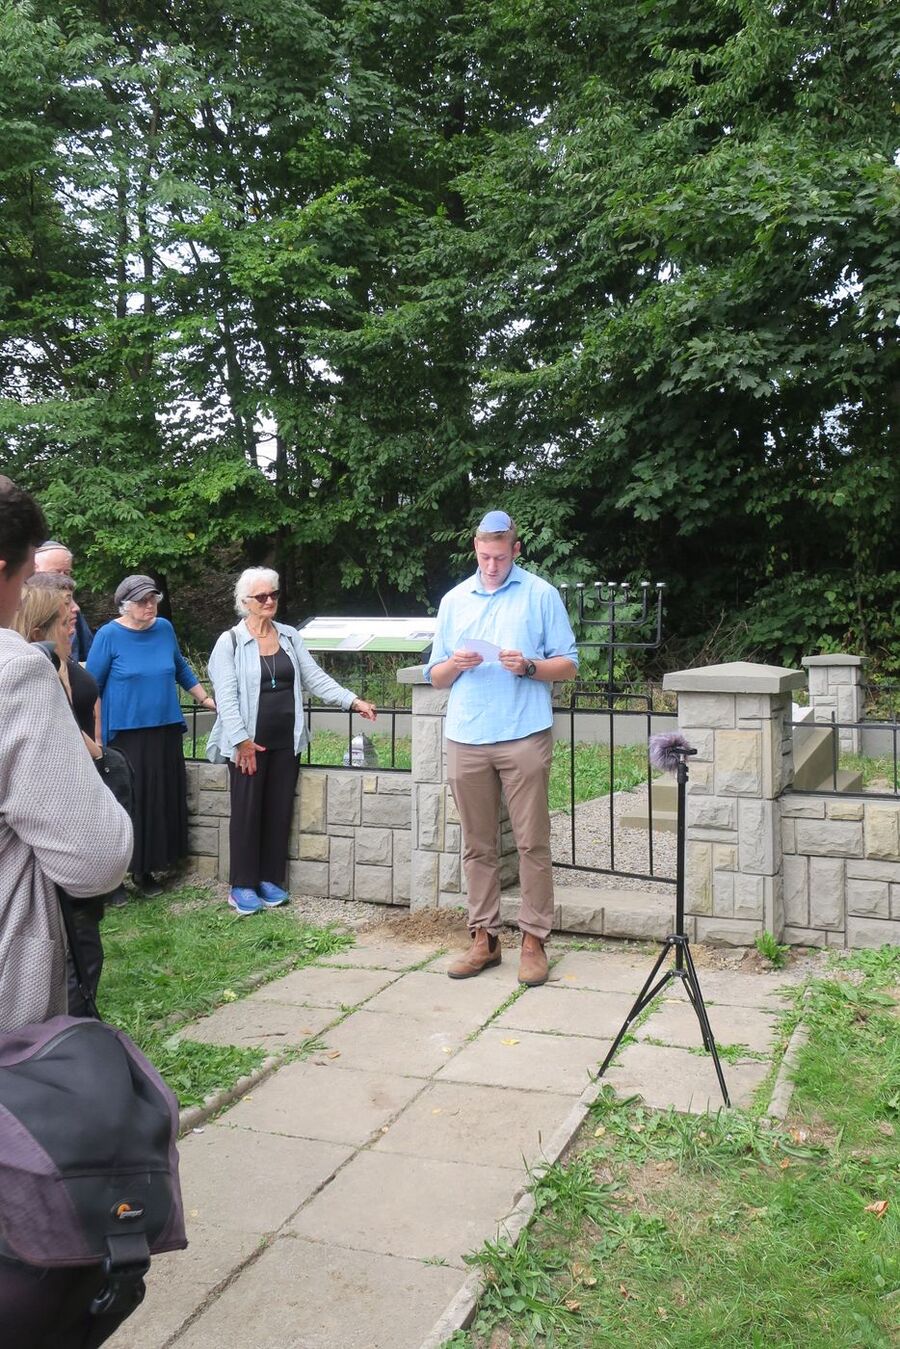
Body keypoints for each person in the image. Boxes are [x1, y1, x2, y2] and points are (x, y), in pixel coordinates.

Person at [425, 510, 578, 987]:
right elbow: (435, 677)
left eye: (500, 556)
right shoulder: (454, 600)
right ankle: (484, 938)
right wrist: (454, 662)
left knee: (533, 842)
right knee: (478, 845)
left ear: (516, 550)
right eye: (484, 556)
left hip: (524, 733)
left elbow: (569, 665)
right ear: (475, 549)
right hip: (466, 735)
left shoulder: (541, 595)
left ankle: (533, 940)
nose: (491, 565)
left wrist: (530, 667)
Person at [207, 568, 377, 915]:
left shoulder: (288, 636)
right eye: (261, 597)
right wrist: (241, 741)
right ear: (245, 603)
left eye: (274, 595)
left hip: (287, 740)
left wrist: (352, 700)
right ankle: (241, 885)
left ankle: (270, 879)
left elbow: (314, 677)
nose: (270, 601)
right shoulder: (231, 642)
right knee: (247, 813)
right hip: (249, 745)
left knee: (278, 811)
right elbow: (225, 696)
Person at [87, 575, 215, 896]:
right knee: (130, 804)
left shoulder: (164, 629)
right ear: (125, 605)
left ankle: (148, 871)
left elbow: (180, 667)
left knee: (160, 801)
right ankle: (114, 880)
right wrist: (97, 738)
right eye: (142, 601)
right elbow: (92, 688)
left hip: (165, 729)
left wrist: (206, 699)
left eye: (153, 599)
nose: (150, 606)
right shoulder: (108, 636)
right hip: (126, 736)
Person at [33, 539, 93, 661]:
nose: (63, 578)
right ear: (34, 569)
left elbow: (87, 652)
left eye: (67, 572)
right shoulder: (18, 606)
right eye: (56, 572)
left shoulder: (71, 608)